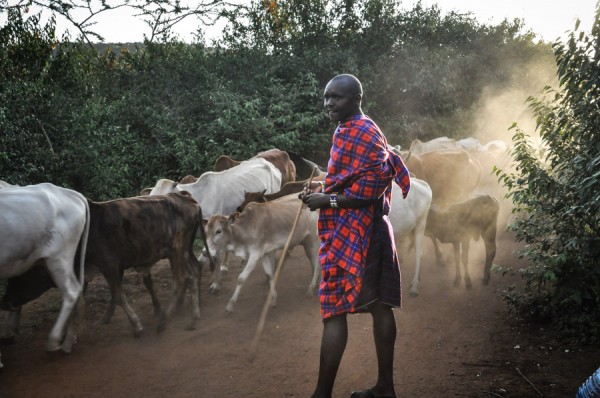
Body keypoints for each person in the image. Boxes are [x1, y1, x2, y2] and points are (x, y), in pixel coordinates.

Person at [300, 74, 411, 398]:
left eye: (336, 97)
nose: (328, 103)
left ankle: (331, 393)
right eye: (326, 97)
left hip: (367, 233)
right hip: (351, 231)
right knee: (367, 308)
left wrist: (327, 200)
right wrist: (321, 189)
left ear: (356, 98)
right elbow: (346, 181)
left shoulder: (363, 131)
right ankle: (383, 388)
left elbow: (372, 187)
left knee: (363, 308)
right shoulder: (344, 130)